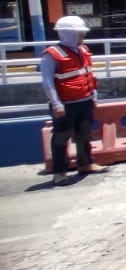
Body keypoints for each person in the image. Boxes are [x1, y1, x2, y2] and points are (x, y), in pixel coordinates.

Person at [39, 15, 106, 185]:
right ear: (68, 33)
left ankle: (86, 164)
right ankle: (60, 172)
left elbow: (87, 73)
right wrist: (56, 104)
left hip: (84, 100)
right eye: (80, 33)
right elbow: (47, 82)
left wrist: (93, 94)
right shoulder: (51, 55)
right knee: (61, 137)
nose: (83, 36)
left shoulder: (83, 50)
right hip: (65, 104)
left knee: (85, 134)